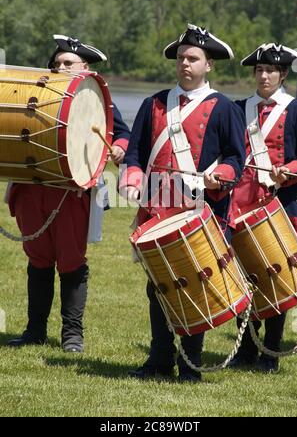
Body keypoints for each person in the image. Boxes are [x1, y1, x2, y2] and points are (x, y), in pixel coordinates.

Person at [119, 23, 246, 382]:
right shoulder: (153, 103)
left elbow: (236, 159)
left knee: (196, 283)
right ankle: (158, 361)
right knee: (157, 286)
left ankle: (190, 364)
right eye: (181, 58)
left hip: (200, 212)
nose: (185, 64)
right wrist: (131, 178)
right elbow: (136, 153)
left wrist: (218, 174)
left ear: (209, 65)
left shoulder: (223, 108)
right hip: (158, 210)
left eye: (193, 58)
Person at [7, 35, 130, 352]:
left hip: (73, 194)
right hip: (34, 187)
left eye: (67, 63)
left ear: (85, 67)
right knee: (38, 259)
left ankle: (72, 335)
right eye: (56, 63)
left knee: (72, 261)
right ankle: (35, 331)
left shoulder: (93, 97)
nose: (60, 67)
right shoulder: (38, 89)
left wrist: (118, 148)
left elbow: (123, 135)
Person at [228, 43, 297, 372]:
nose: (264, 75)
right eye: (259, 70)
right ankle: (244, 349)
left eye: (270, 70)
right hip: (240, 204)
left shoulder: (296, 109)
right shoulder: (239, 108)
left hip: (280, 204)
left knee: (275, 276)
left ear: (282, 74)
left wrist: (290, 170)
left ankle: (270, 352)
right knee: (244, 277)